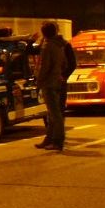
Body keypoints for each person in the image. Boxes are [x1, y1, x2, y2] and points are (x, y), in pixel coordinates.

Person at [36, 22, 67, 151]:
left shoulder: (47, 46)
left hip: (48, 83)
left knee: (54, 114)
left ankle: (57, 141)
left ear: (44, 33)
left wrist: (38, 80)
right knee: (52, 113)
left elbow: (44, 67)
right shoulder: (59, 45)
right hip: (57, 81)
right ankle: (49, 139)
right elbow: (64, 63)